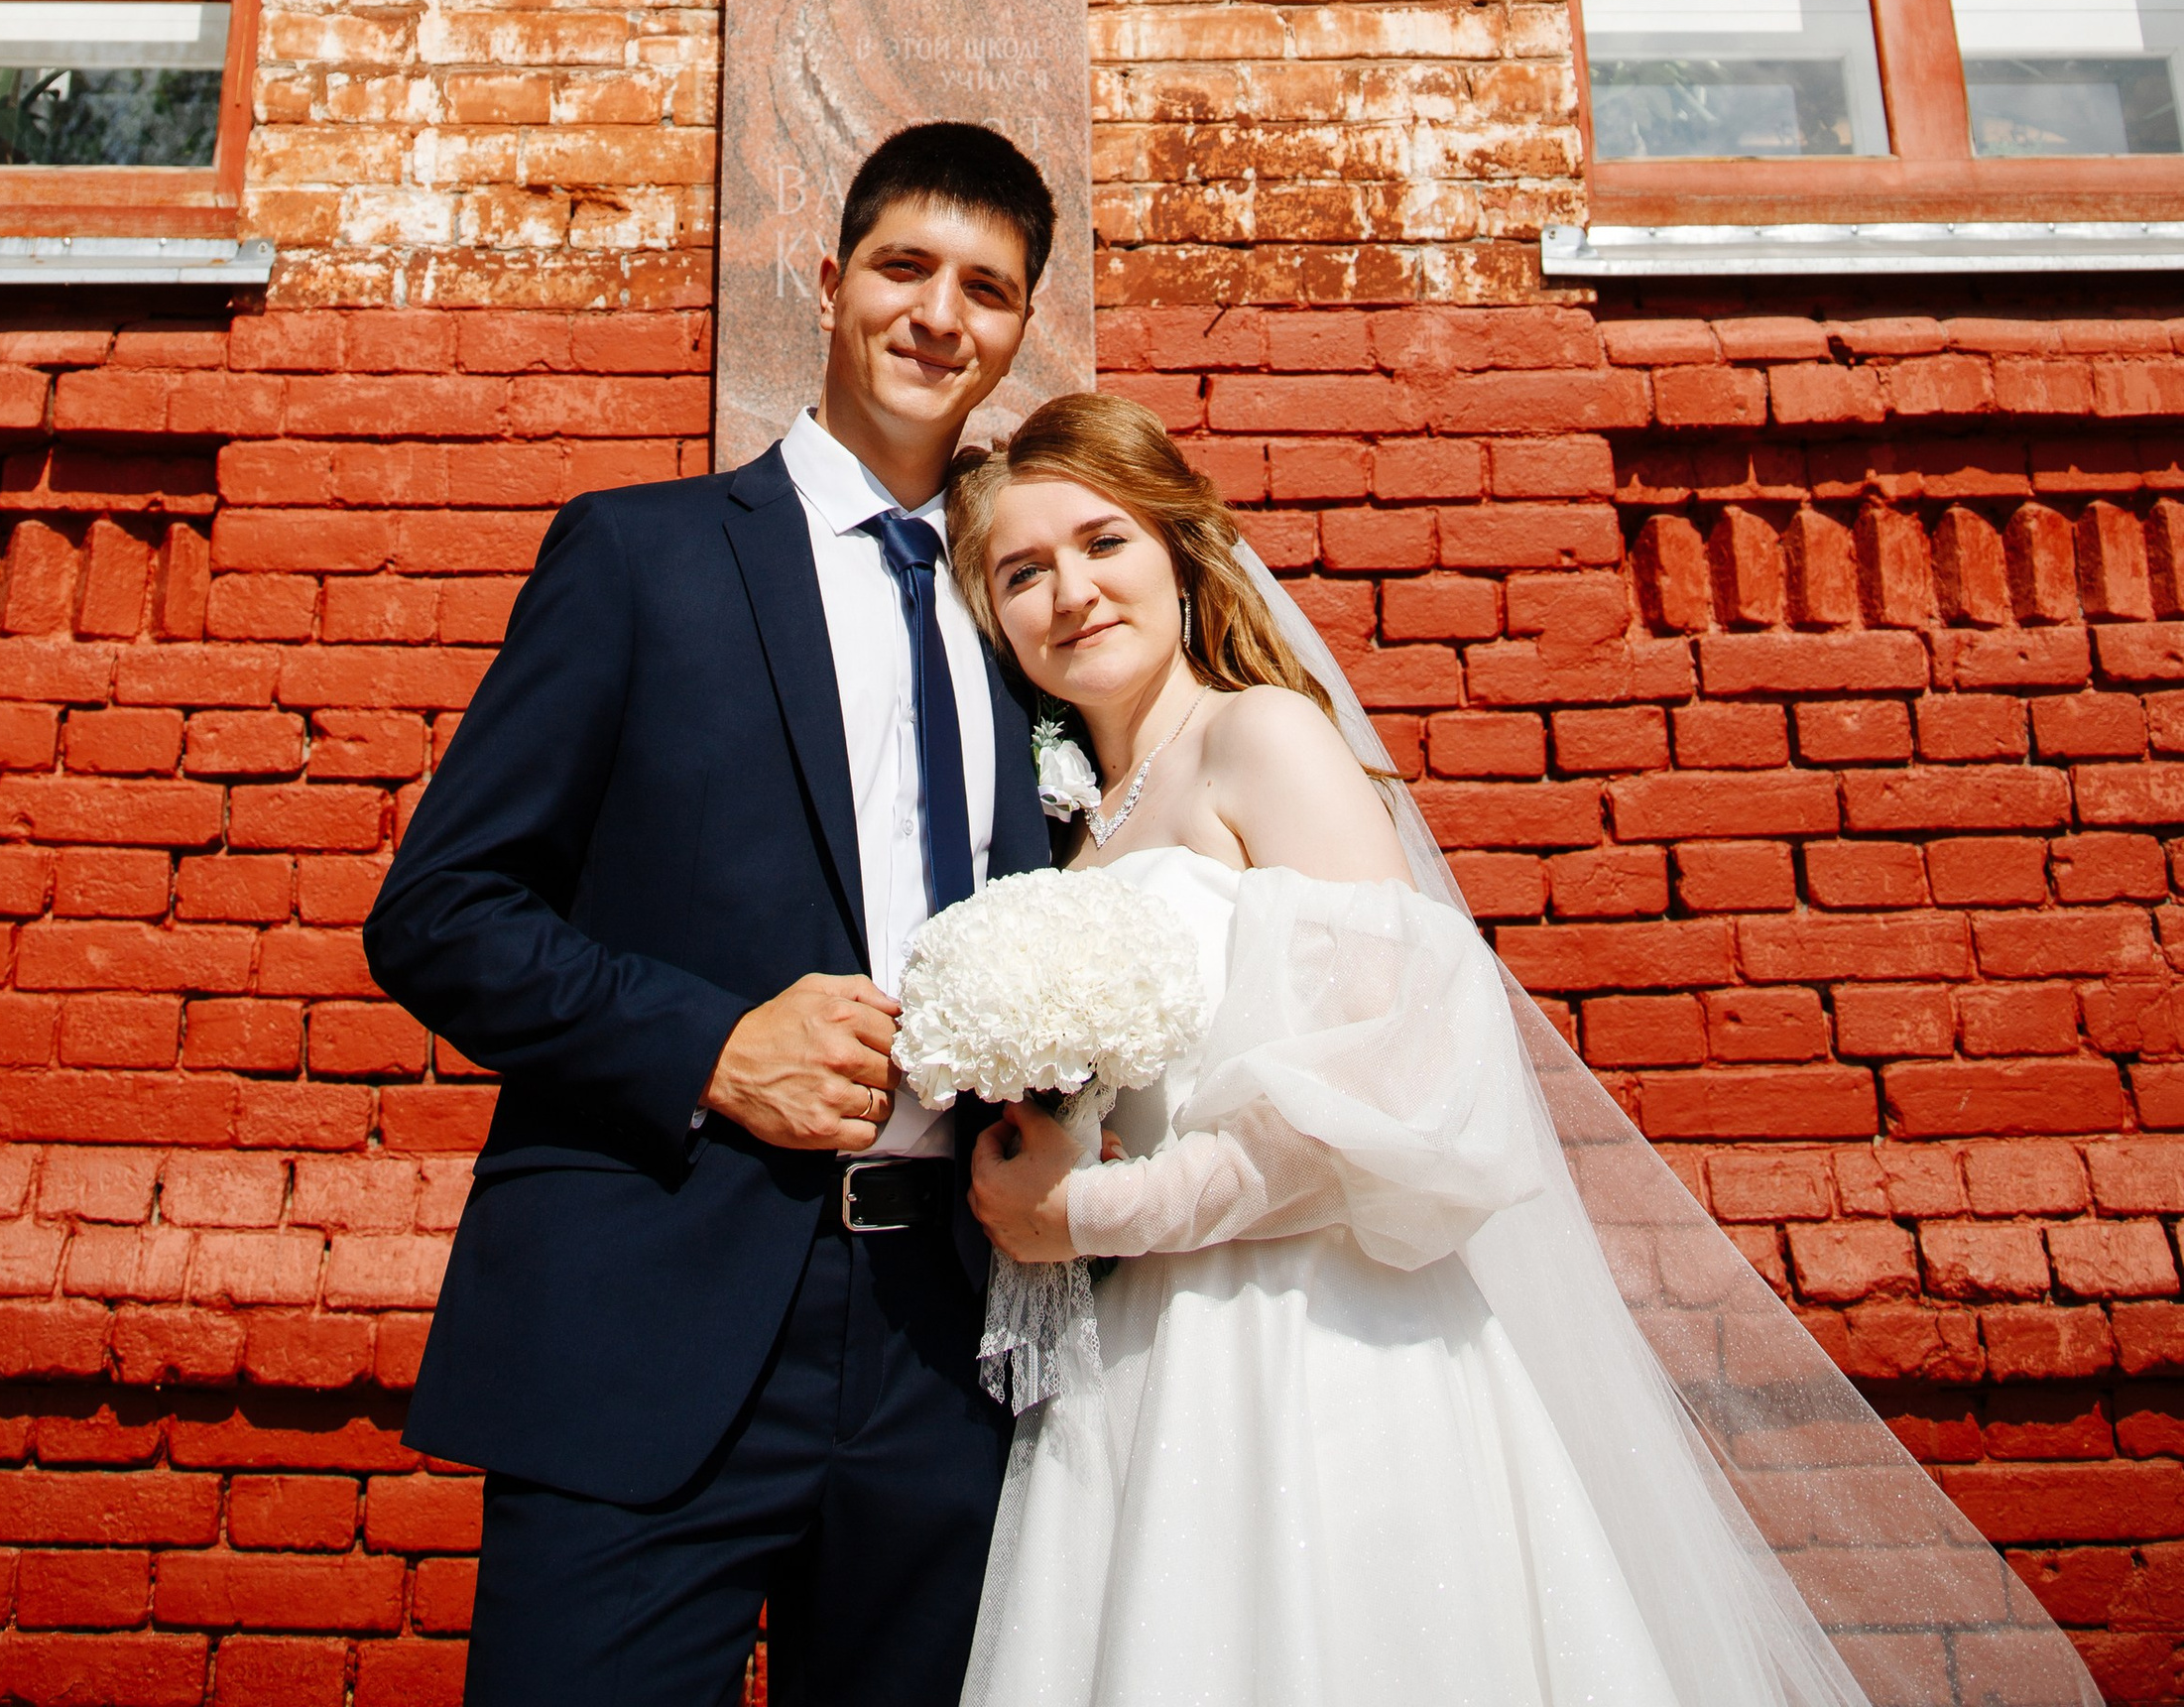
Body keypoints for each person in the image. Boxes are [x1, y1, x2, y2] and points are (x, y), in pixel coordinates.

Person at [944, 395, 2105, 1707]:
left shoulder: (1260, 737)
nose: (1072, 593)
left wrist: (1093, 1206)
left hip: (1310, 1338)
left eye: (1103, 544)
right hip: (1145, 1364)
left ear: (1175, 547)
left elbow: (1387, 1083)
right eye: (1022, 572)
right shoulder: (1087, 830)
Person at [363, 119, 1059, 1707]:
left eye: (986, 289)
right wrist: (710, 1045)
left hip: (948, 1347)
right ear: (827, 282)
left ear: (1020, 331)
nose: (939, 315)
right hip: (646, 1318)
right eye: (904, 267)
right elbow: (440, 909)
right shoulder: (641, 557)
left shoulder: (1023, 610)